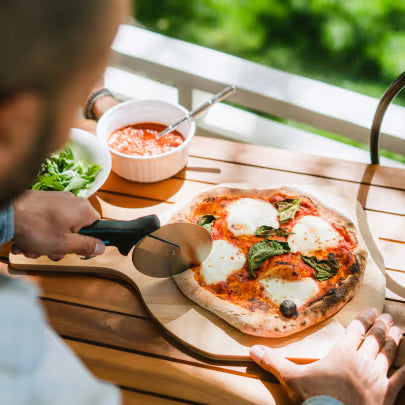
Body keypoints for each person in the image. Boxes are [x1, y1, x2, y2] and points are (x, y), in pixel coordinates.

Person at [1, 1, 405, 404]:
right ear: (16, 118)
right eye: (82, 86)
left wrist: (11, 215)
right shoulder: (25, 369)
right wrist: (339, 401)